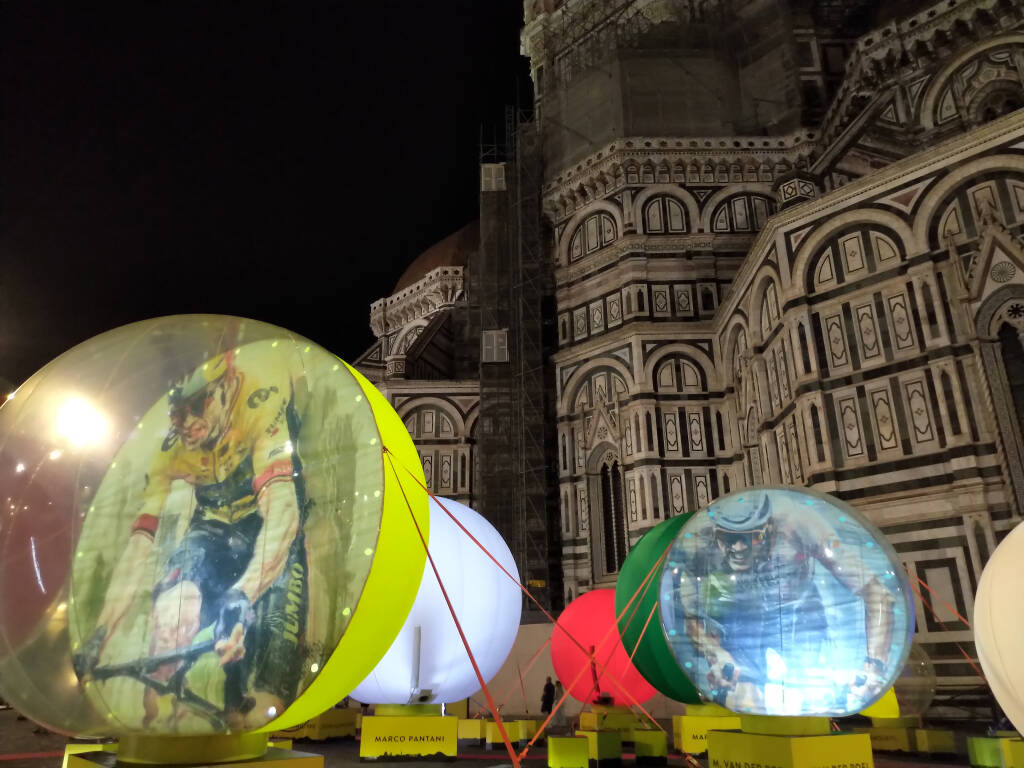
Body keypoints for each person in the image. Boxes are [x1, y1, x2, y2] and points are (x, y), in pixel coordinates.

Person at [73, 346, 309, 730]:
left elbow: (283, 513)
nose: (186, 423)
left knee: (259, 706)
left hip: (269, 526)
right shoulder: (171, 450)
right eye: (176, 411)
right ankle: (160, 730)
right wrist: (99, 633)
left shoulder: (260, 400)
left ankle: (239, 712)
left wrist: (243, 594)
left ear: (227, 385)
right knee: (170, 620)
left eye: (198, 405)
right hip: (212, 528)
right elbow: (138, 547)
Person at [667, 491, 898, 713]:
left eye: (752, 537)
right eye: (728, 539)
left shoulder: (800, 525)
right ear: (715, 533)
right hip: (745, 619)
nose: (738, 548)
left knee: (809, 698)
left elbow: (878, 594)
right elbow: (694, 619)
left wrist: (874, 665)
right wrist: (716, 653)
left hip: (801, 614)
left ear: (768, 528)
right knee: (745, 698)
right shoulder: (698, 545)